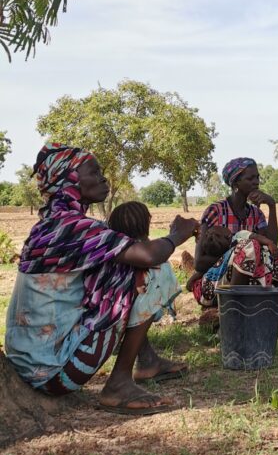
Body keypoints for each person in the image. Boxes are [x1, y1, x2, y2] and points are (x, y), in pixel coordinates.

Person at [4, 142, 198, 414]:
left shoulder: (50, 224)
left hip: (30, 361)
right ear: (69, 179)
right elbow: (148, 255)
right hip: (53, 372)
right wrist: (178, 234)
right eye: (93, 173)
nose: (102, 178)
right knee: (155, 272)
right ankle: (118, 384)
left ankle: (148, 359)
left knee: (121, 274)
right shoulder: (71, 226)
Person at [188, 157, 278, 310]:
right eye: (250, 178)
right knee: (250, 246)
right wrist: (235, 255)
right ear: (236, 182)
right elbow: (199, 262)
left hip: (250, 279)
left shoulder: (256, 214)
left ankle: (264, 303)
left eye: (257, 177)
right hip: (214, 284)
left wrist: (271, 206)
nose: (256, 182)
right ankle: (232, 308)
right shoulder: (215, 211)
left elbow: (272, 248)